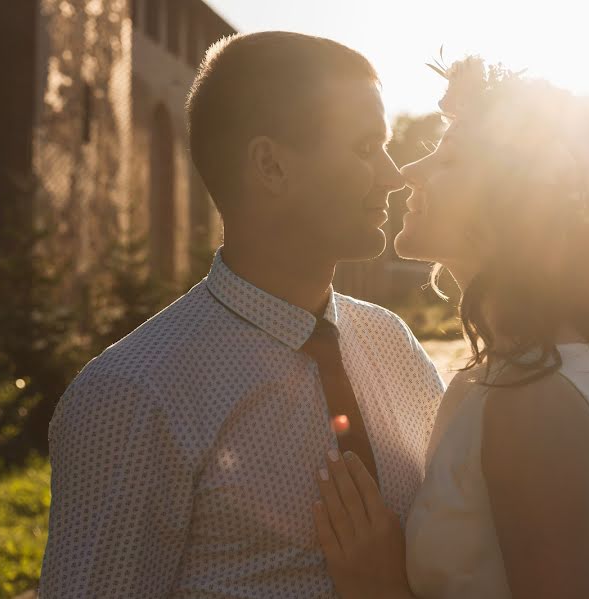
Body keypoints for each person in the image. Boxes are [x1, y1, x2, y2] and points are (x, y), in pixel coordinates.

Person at [38, 32, 444, 598]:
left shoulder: (392, 344)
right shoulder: (132, 396)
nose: (394, 174)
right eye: (364, 147)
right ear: (272, 166)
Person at [311, 56, 589, 599]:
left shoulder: (534, 401)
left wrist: (382, 589)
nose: (409, 173)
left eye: (451, 159)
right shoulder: (542, 372)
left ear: (518, 202)